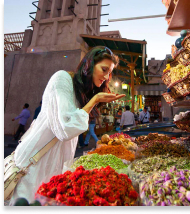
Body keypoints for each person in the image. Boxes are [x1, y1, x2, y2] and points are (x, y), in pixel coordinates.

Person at [9, 46, 125, 204]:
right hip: (35, 161)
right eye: (104, 69)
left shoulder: (82, 91)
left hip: (57, 163)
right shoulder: (62, 78)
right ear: (89, 65)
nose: (106, 76)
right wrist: (95, 100)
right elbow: (67, 128)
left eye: (109, 72)